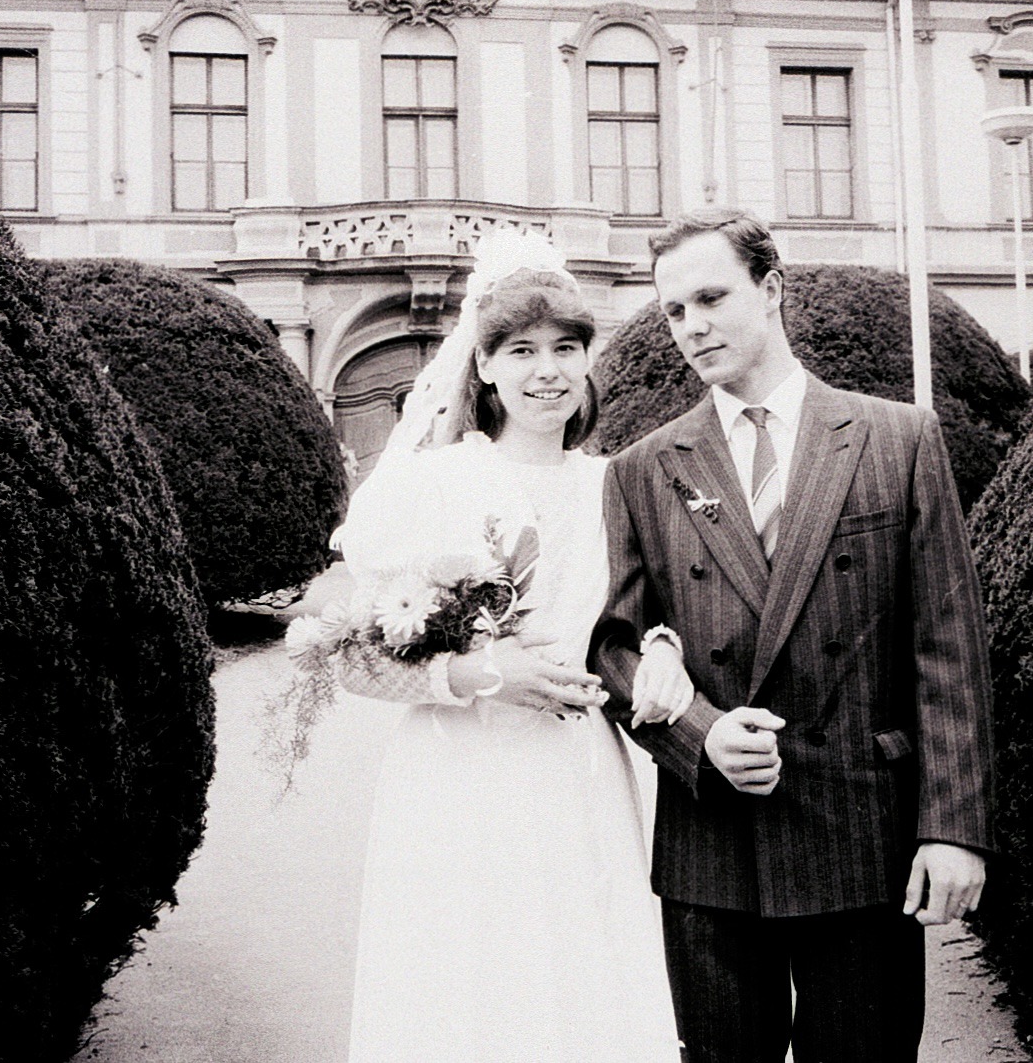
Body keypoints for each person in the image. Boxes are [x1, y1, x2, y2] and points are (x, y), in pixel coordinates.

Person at [589, 208, 995, 1063]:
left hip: (861, 836)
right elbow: (615, 650)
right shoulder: (642, 469)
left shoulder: (897, 438)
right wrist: (700, 738)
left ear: (771, 289)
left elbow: (948, 650)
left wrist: (953, 828)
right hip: (713, 850)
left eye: (710, 297)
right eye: (673, 311)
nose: (692, 327)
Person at [330, 230, 682, 1063]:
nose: (546, 370)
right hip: (459, 776)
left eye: (566, 347)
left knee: (578, 974)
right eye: (520, 350)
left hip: (578, 776)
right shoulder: (433, 481)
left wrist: (664, 644)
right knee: (467, 985)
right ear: (482, 365)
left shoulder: (616, 487)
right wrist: (480, 672)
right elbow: (351, 657)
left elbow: (647, 614)